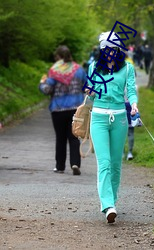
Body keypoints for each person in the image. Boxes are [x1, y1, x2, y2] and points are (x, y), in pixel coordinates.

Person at [85, 31, 138, 223]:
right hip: (98, 118)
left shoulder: (127, 68)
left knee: (116, 164)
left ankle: (112, 201)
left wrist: (133, 104)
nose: (109, 52)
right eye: (105, 49)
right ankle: (107, 205)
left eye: (112, 49)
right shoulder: (93, 67)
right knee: (104, 163)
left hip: (120, 119)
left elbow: (131, 90)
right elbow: (90, 96)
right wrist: (89, 92)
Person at [39, 45, 87, 175]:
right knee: (74, 136)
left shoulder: (54, 71)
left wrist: (42, 83)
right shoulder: (79, 69)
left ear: (58, 57)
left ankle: (60, 167)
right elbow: (87, 86)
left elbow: (47, 90)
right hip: (75, 109)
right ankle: (75, 163)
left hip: (58, 109)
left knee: (60, 138)